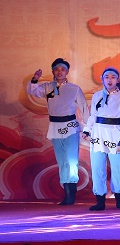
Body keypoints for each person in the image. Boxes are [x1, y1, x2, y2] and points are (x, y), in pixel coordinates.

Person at [27, 58, 88, 206]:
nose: (60, 72)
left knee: (71, 160)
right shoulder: (48, 87)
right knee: (61, 161)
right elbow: (32, 90)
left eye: (63, 69)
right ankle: (66, 193)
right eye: (57, 69)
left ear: (67, 72)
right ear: (53, 71)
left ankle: (71, 194)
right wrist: (35, 79)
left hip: (71, 126)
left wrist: (88, 129)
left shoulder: (74, 88)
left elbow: (84, 107)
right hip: (55, 127)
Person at [82, 67, 120, 211]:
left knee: (117, 168)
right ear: (102, 79)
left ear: (117, 80)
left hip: (115, 134)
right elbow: (93, 115)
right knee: (97, 167)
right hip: (98, 133)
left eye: (113, 77)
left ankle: (119, 201)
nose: (109, 80)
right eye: (106, 77)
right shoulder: (97, 95)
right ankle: (100, 201)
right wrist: (87, 130)